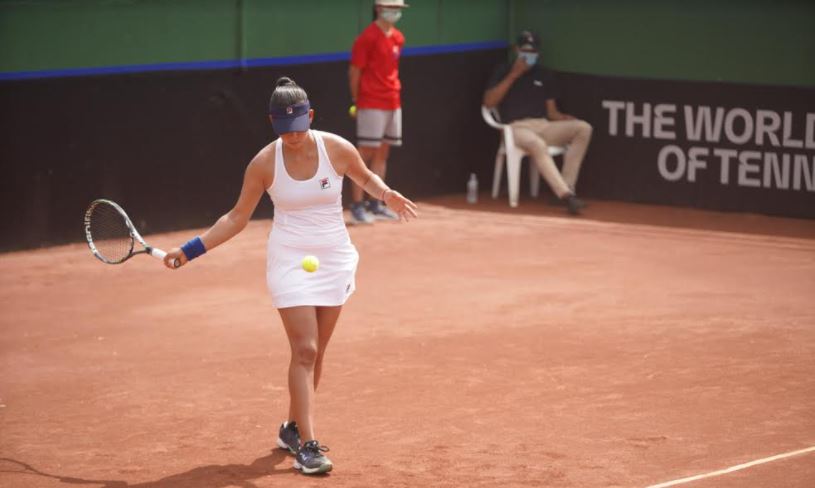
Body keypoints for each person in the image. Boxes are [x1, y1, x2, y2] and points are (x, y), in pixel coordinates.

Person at [162, 77, 418, 475]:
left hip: (334, 257)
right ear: (272, 123)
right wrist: (192, 250)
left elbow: (363, 176)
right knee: (306, 351)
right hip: (290, 260)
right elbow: (235, 217)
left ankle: (291, 430)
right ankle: (309, 447)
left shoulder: (337, 148)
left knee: (316, 354)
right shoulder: (264, 163)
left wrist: (385, 194)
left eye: (299, 127)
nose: (293, 137)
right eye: (285, 130)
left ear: (310, 116)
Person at [483, 30, 593, 215]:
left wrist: (563, 118)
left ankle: (567, 188)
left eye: (533, 51)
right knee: (537, 144)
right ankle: (566, 196)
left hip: (543, 125)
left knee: (583, 128)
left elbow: (552, 112)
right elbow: (489, 102)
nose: (529, 55)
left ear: (538, 53)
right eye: (525, 50)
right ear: (517, 50)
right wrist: (513, 75)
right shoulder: (503, 70)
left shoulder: (544, 75)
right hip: (515, 128)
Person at [347, 0, 409, 224]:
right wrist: (357, 100)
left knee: (383, 153)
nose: (395, 12)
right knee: (364, 154)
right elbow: (355, 71)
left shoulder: (398, 37)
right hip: (370, 101)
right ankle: (357, 206)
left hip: (393, 100)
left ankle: (376, 203)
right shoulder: (366, 38)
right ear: (379, 9)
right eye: (392, 8)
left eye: (399, 9)